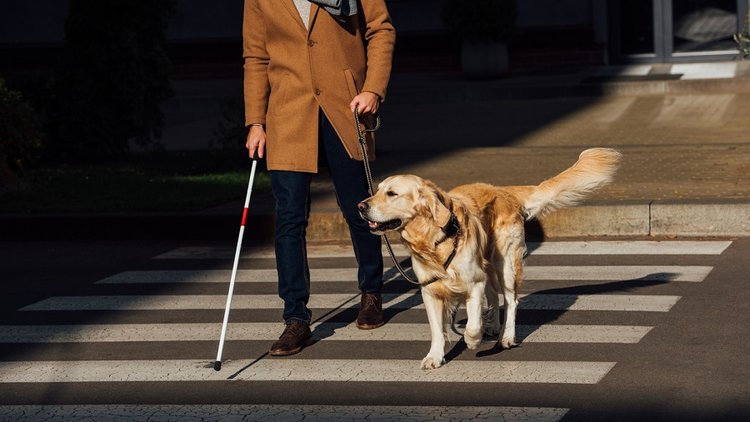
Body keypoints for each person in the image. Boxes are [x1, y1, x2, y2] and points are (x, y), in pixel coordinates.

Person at [242, 0, 396, 356]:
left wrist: (373, 88)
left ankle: (372, 292)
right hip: (287, 113)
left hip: (345, 106)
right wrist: (256, 122)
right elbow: (256, 57)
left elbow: (381, 29)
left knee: (359, 209)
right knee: (289, 219)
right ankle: (295, 318)